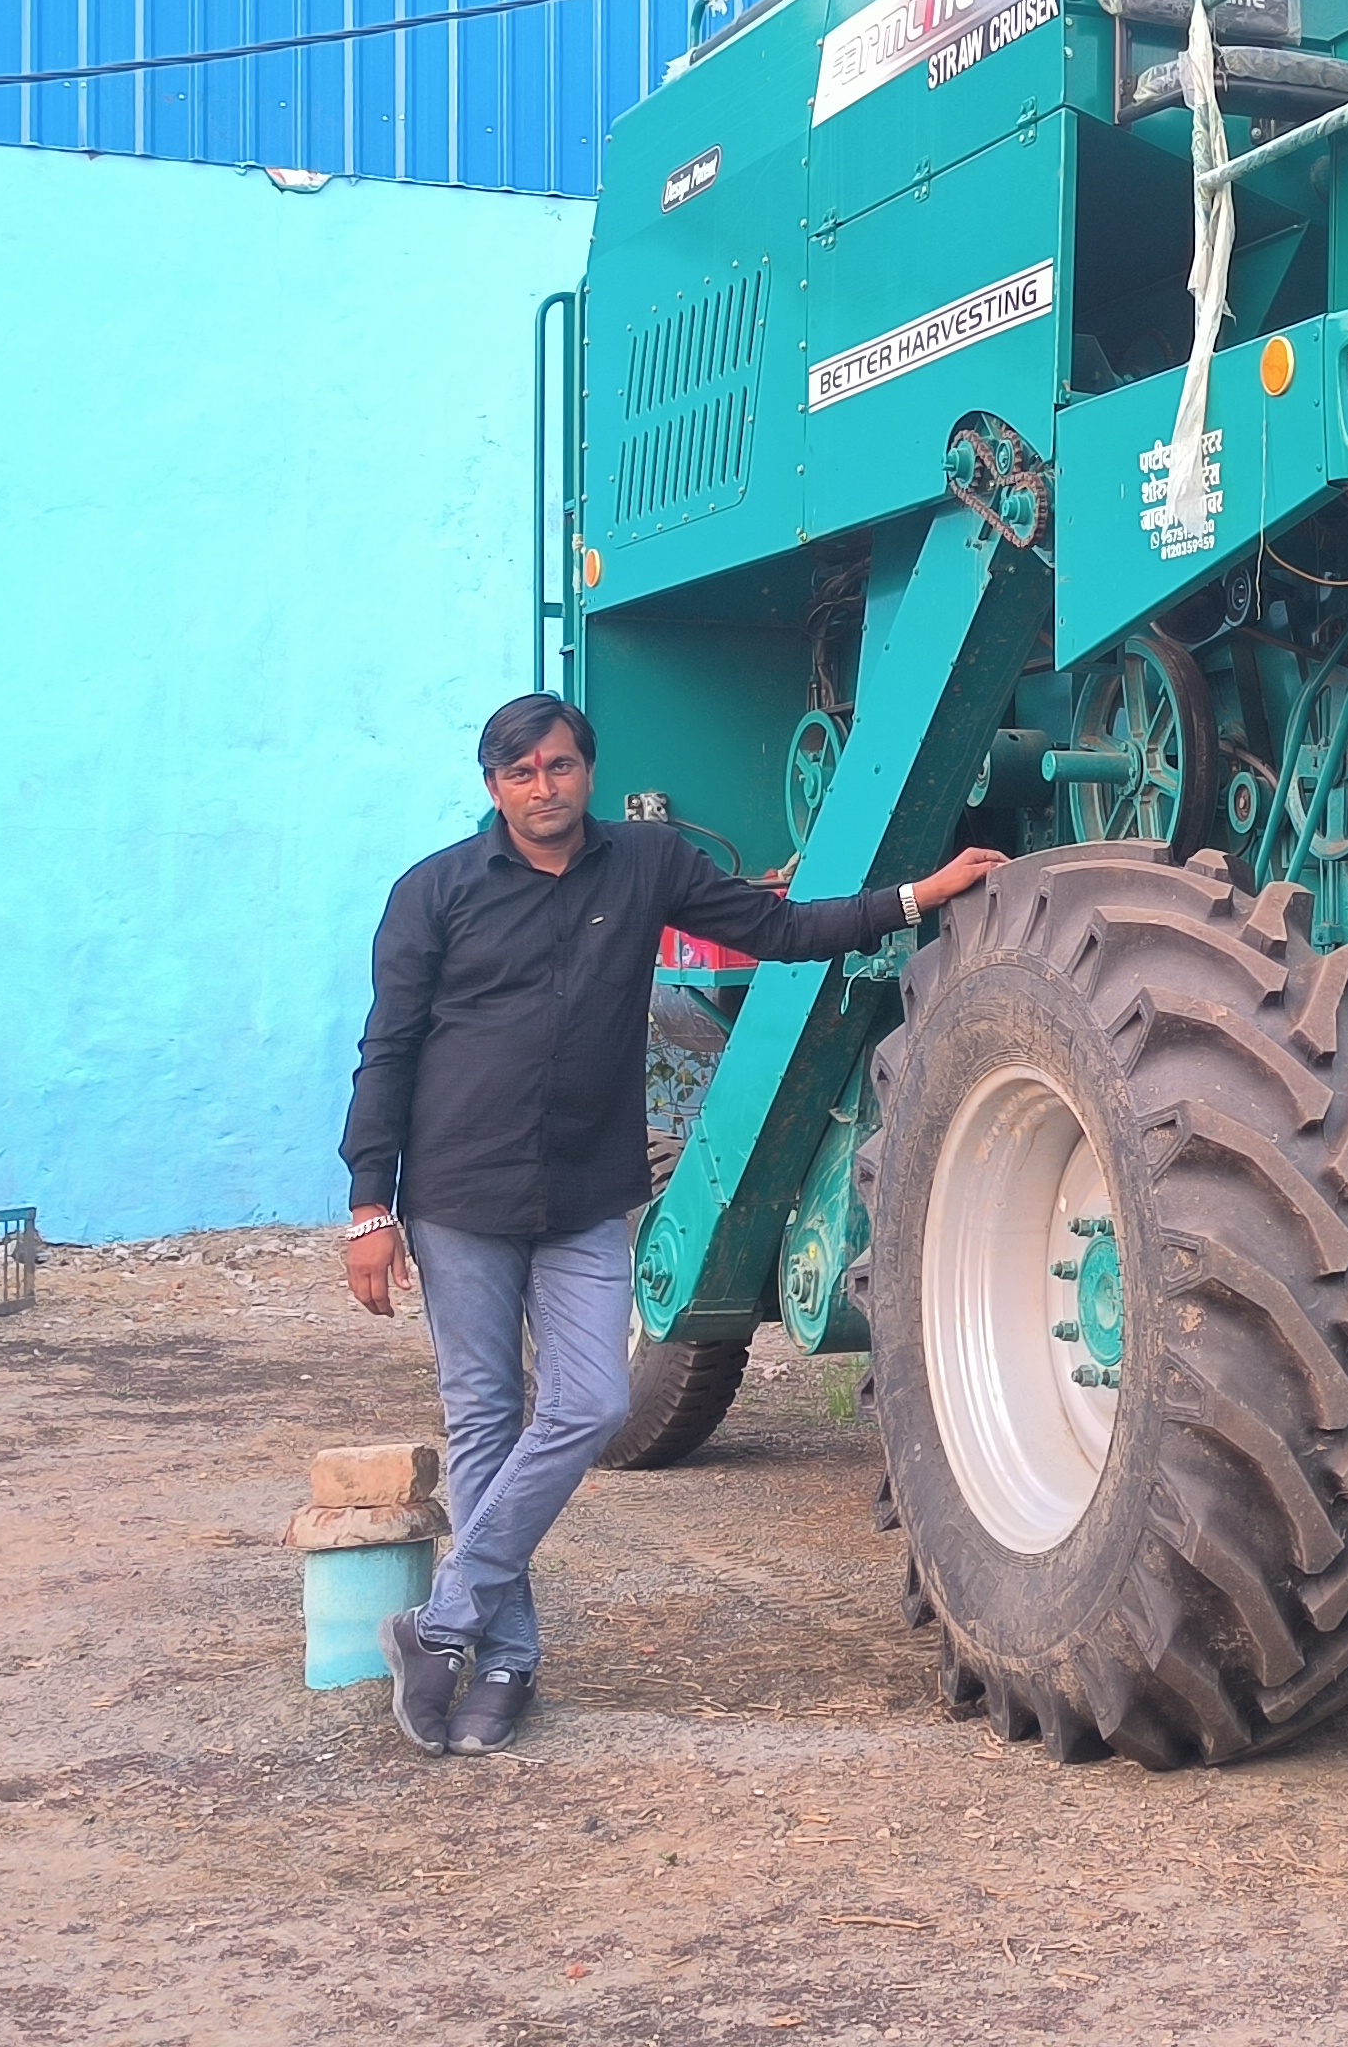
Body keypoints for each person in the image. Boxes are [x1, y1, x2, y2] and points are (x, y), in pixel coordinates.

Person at [339, 691, 1005, 1754]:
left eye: (558, 767)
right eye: (520, 774)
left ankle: (441, 1621)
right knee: (482, 1420)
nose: (542, 788)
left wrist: (918, 894)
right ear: (491, 786)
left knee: (592, 1403)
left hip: (580, 1198)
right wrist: (368, 1204)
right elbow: (388, 1048)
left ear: (586, 771)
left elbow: (779, 931)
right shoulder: (434, 892)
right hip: (457, 1196)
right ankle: (502, 1657)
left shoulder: (644, 867)